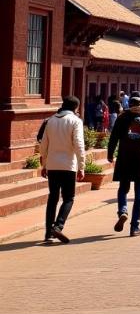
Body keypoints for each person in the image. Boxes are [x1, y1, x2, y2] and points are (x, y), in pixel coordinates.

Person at [108, 91, 140, 237]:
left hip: (125, 155)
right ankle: (135, 226)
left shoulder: (123, 116)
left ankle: (123, 210)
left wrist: (110, 154)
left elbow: (114, 137)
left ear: (130, 103)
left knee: (123, 188)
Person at [39, 96, 85, 244]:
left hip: (52, 164)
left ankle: (48, 233)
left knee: (53, 198)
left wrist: (44, 164)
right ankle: (58, 225)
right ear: (76, 108)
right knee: (69, 198)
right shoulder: (75, 121)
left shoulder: (50, 121)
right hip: (68, 165)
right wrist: (81, 166)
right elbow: (78, 144)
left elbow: (43, 145)